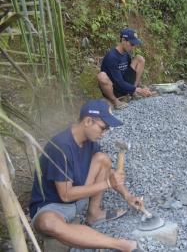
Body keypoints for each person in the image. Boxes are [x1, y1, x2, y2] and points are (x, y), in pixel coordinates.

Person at [29, 100, 144, 252]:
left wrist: (127, 195)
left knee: (103, 158)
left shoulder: (90, 141)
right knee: (47, 223)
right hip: (55, 206)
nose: (104, 134)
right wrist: (108, 184)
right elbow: (65, 196)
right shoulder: (60, 147)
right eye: (103, 128)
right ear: (88, 121)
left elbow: (108, 173)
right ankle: (121, 245)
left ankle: (94, 214)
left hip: (78, 198)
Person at [98, 28, 154, 110]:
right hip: (115, 88)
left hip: (124, 84)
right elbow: (118, 82)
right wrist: (138, 90)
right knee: (101, 76)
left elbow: (131, 72)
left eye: (134, 44)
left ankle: (132, 92)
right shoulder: (112, 57)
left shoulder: (126, 54)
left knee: (139, 59)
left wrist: (135, 88)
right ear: (123, 40)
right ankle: (115, 101)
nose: (133, 46)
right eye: (132, 44)